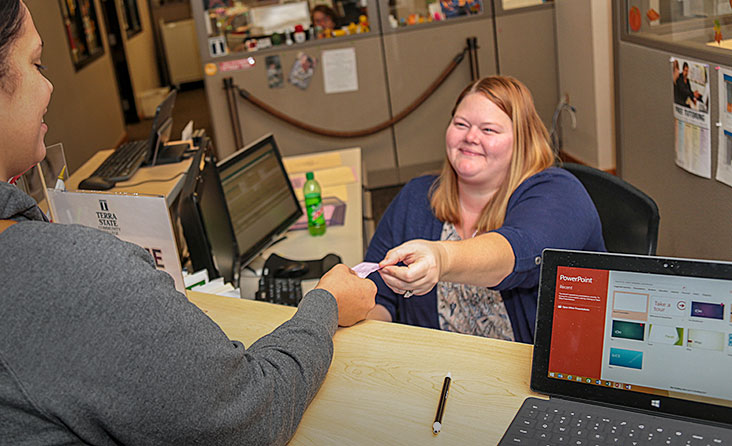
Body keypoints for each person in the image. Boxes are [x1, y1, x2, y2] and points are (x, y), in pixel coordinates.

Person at [0, 2, 376, 444]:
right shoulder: (77, 276)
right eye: (36, 63)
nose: (48, 86)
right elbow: (253, 416)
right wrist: (326, 305)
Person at [363, 76, 605, 344]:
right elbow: (378, 294)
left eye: (489, 130)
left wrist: (441, 258)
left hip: (525, 367)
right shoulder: (417, 197)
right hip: (434, 364)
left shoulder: (559, 193)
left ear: (523, 141)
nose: (470, 137)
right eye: (461, 124)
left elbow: (518, 251)